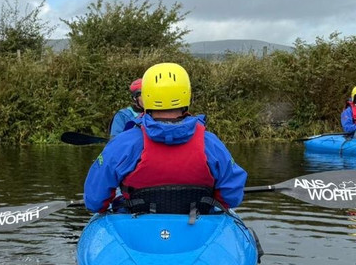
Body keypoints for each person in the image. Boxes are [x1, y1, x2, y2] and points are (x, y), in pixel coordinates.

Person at [84, 62, 247, 213]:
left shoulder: (122, 143)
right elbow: (231, 198)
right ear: (187, 95)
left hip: (136, 226)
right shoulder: (210, 143)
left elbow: (95, 202)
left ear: (147, 96)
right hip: (198, 225)